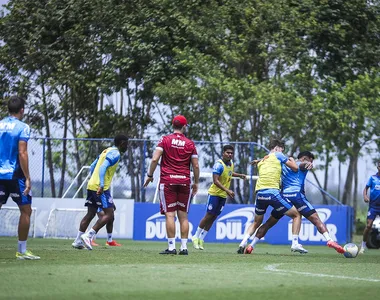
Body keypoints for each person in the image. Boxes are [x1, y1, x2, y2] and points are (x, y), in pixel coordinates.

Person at [241, 151, 345, 254]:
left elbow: (271, 160)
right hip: (296, 196)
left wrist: (259, 160)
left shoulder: (283, 163)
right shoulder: (300, 163)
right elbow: (302, 165)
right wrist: (307, 164)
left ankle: (251, 245)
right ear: (304, 158)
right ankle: (329, 240)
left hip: (283, 197)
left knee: (268, 223)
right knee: (315, 219)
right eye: (310, 160)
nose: (311, 162)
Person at [144, 115, 199, 255]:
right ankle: (184, 248)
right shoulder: (190, 143)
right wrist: (196, 183)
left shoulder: (164, 139)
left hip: (168, 181)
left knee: (170, 215)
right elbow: (196, 165)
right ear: (184, 126)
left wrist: (150, 175)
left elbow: (155, 159)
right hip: (184, 181)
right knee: (183, 216)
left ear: (172, 125)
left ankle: (171, 247)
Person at [237, 138, 301, 254]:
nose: (282, 152)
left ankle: (243, 242)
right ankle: (295, 243)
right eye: (282, 149)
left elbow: (267, 158)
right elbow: (295, 168)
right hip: (272, 193)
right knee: (296, 215)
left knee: (256, 222)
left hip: (260, 194)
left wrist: (258, 160)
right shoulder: (279, 155)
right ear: (277, 148)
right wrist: (291, 160)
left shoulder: (262, 161)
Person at [72, 134, 128, 250]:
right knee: (109, 214)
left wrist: (94, 180)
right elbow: (103, 167)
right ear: (122, 143)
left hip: (92, 184)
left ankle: (78, 240)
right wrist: (101, 185)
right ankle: (89, 235)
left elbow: (93, 166)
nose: (127, 146)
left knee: (91, 214)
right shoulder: (115, 153)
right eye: (126, 143)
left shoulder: (106, 151)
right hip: (100, 187)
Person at [0, 96, 40, 260]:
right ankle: (21, 251)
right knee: (26, 210)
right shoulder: (23, 127)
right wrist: (28, 177)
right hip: (15, 175)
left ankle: (22, 251)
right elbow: (22, 153)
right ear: (22, 110)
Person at [192, 144, 246, 250]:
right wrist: (227, 190)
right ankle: (195, 236)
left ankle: (202, 239)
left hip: (223, 196)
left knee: (214, 217)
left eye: (231, 153)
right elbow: (215, 181)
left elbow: (229, 173)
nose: (230, 155)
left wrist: (239, 175)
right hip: (214, 194)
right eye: (228, 152)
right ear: (223, 153)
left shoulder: (231, 164)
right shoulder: (219, 164)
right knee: (208, 215)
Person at [359, 161, 380, 254]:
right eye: (379, 165)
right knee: (368, 226)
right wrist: (365, 196)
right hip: (373, 206)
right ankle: (363, 246)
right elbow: (366, 188)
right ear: (377, 166)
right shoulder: (373, 178)